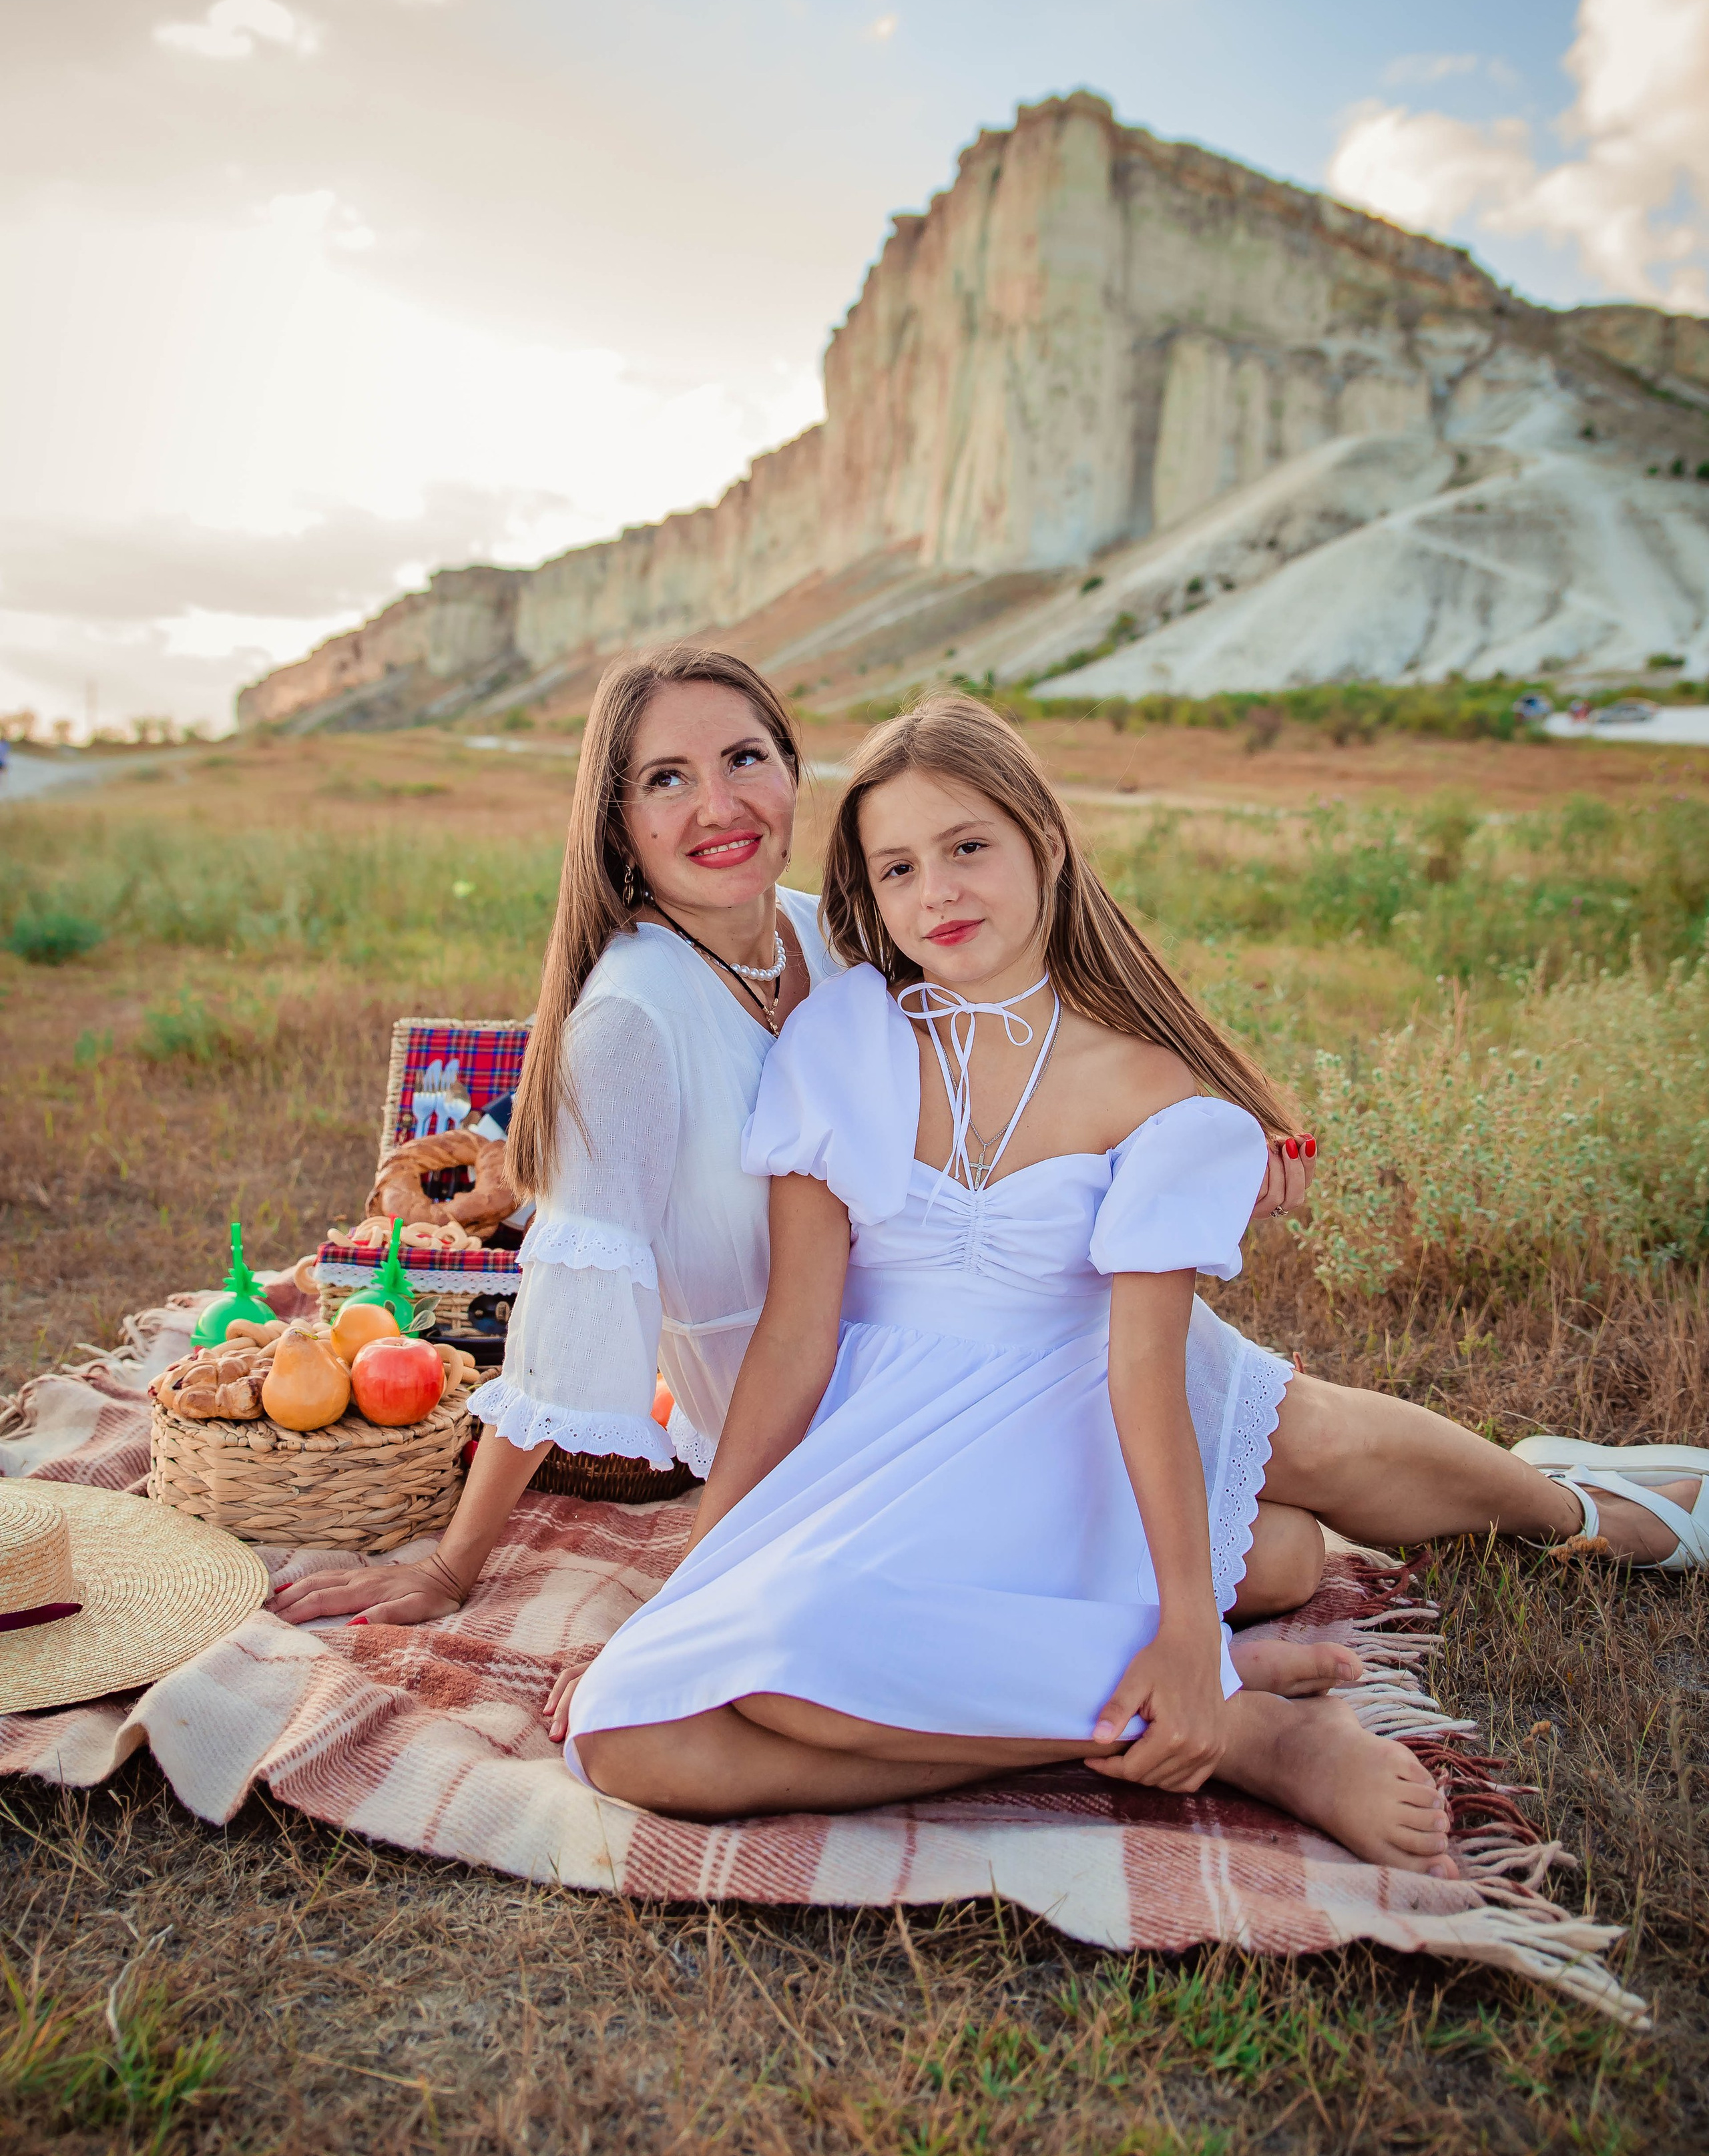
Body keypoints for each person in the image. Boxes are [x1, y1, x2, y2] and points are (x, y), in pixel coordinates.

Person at [562, 697, 1704, 1847]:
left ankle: (1575, 1510)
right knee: (630, 1734)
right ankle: (1204, 1705)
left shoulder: (1150, 1086)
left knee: (1319, 1451)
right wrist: (696, 1571)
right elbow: (798, 1336)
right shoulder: (841, 1039)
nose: (938, 893)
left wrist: (1177, 1612)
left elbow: (1143, 1369)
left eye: (970, 848)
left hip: (1072, 1424)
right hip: (889, 1435)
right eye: (899, 867)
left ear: (1045, 843)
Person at [272, 647, 1308, 1639]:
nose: (719, 808)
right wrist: (456, 1564)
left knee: (1345, 1463)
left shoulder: (823, 933)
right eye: (667, 779)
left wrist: (1196, 1150)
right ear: (617, 825)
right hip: (806, 1426)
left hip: (977, 1348)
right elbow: (574, 1308)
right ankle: (1224, 1673)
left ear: (793, 772)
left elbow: (1015, 1038)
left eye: (744, 760)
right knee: (1276, 1554)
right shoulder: (631, 1022)